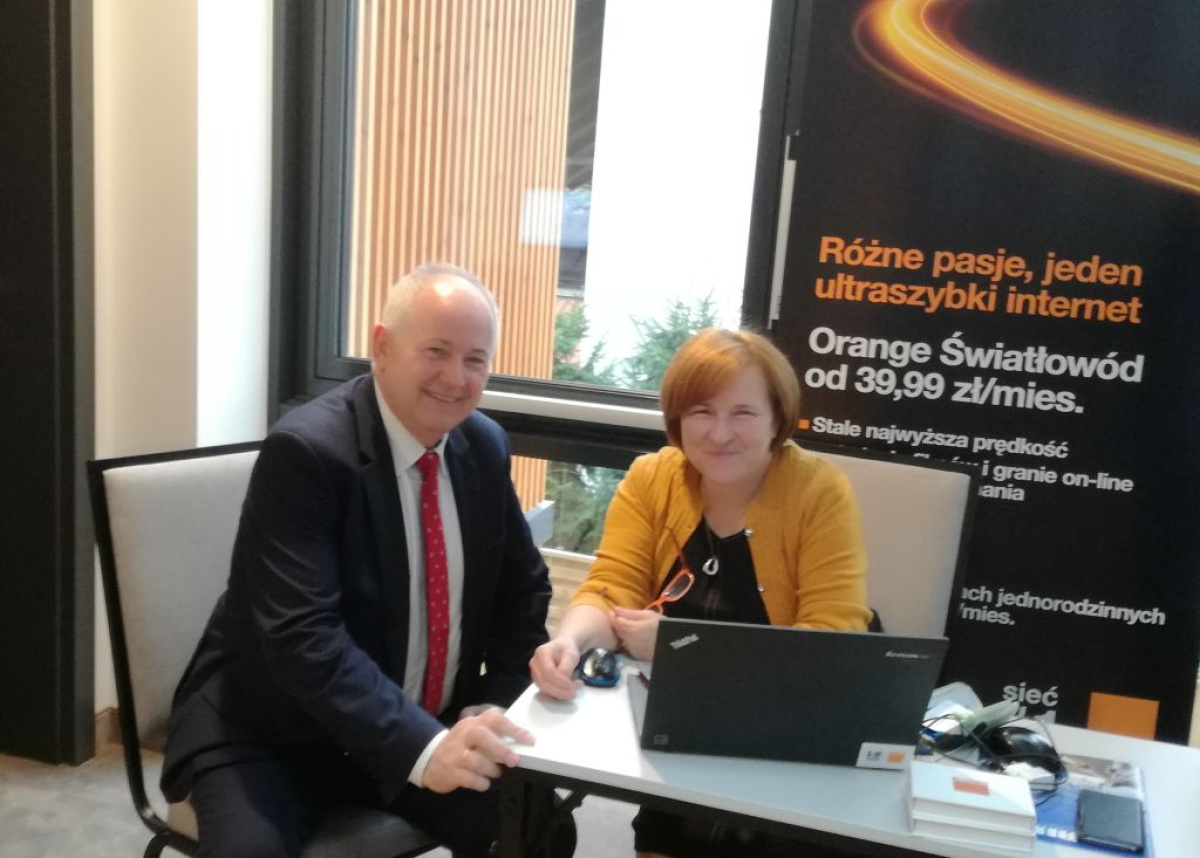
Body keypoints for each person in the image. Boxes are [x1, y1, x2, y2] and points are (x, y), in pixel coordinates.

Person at [162, 263, 574, 858]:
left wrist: (491, 702)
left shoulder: (482, 446)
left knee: (539, 826)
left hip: (422, 720)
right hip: (273, 735)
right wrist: (423, 749)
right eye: (436, 351)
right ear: (381, 347)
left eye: (475, 359)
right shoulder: (307, 453)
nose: (456, 378)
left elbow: (522, 593)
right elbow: (302, 638)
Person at [530, 327, 871, 858]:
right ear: (678, 419)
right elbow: (612, 586)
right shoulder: (652, 478)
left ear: (777, 418)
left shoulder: (819, 491)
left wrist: (679, 648)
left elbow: (830, 644)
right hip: (680, 735)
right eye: (702, 412)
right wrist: (569, 643)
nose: (720, 433)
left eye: (743, 413)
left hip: (786, 742)